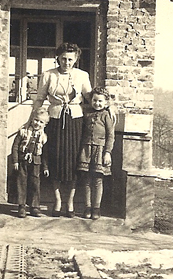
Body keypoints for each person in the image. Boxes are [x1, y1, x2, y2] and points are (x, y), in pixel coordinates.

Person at [32, 42, 92, 217]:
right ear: (57, 58)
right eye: (64, 59)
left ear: (76, 59)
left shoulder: (82, 75)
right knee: (55, 160)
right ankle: (57, 201)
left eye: (71, 59)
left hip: (75, 121)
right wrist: (32, 120)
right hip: (55, 120)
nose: (67, 62)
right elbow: (40, 99)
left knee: (73, 162)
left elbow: (90, 97)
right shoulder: (48, 75)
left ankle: (70, 202)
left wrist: (108, 107)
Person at [78, 87, 115, 220]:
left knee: (98, 180)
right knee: (86, 180)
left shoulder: (106, 115)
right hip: (86, 149)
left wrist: (108, 152)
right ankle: (87, 207)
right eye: (94, 100)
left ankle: (96, 208)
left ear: (105, 103)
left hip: (100, 151)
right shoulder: (86, 113)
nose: (97, 103)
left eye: (100, 101)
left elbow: (110, 135)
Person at [11, 107, 50, 218]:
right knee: (21, 183)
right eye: (36, 120)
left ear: (45, 124)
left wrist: (45, 167)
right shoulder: (23, 132)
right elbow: (15, 147)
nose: (37, 123)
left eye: (41, 122)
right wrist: (15, 161)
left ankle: (34, 207)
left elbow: (45, 154)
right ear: (32, 119)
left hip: (36, 163)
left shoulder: (43, 137)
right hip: (23, 161)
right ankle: (21, 206)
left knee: (35, 184)